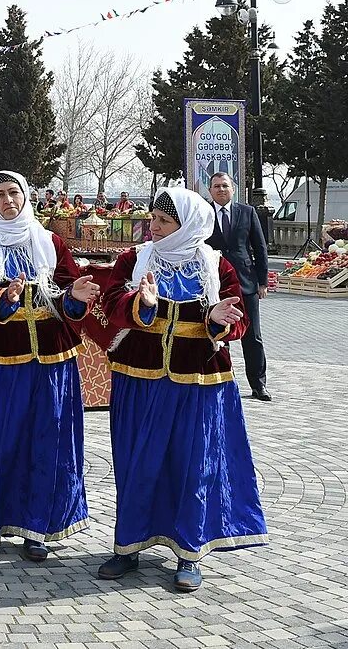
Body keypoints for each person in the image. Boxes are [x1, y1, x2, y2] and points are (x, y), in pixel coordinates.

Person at [97, 188, 266, 592]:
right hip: (140, 377)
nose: (153, 227)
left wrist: (218, 319)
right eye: (152, 219)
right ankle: (128, 546)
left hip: (199, 382)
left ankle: (189, 552)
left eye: (163, 221)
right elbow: (110, 301)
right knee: (136, 461)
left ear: (187, 224)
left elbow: (235, 317)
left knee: (192, 465)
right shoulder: (135, 259)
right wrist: (142, 303)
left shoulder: (215, 265)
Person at [0, 171, 100, 562]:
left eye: (13, 192)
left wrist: (75, 296)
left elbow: (71, 290)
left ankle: (39, 526)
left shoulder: (50, 241)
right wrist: (5, 298)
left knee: (47, 441)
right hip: (1, 356)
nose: (7, 200)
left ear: (25, 196)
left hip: (52, 358)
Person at [206, 173, 271, 401]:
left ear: (233, 189)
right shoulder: (203, 213)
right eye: (216, 186)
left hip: (246, 283)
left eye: (225, 186)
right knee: (219, 335)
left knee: (252, 337)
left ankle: (258, 385)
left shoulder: (247, 212)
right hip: (214, 284)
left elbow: (260, 248)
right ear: (210, 190)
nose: (221, 189)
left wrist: (262, 282)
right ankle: (223, 381)